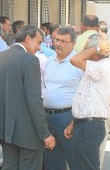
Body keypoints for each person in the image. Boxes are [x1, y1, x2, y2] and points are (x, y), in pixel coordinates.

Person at [0, 25, 55, 170]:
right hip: (28, 130)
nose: (39, 48)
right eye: (38, 42)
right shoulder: (30, 60)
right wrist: (45, 133)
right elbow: (34, 100)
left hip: (5, 128)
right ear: (28, 39)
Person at [64, 33, 110, 170]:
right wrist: (74, 122)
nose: (84, 53)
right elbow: (89, 98)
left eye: (86, 50)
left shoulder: (102, 67)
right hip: (85, 124)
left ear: (97, 52)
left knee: (87, 166)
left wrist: (97, 48)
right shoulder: (97, 67)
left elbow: (74, 60)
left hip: (90, 126)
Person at [43, 27, 84, 170]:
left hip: (68, 118)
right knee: (51, 160)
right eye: (56, 40)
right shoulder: (48, 61)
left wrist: (75, 120)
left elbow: (86, 93)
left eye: (63, 41)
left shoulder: (79, 63)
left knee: (74, 158)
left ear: (72, 44)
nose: (58, 44)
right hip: (48, 117)